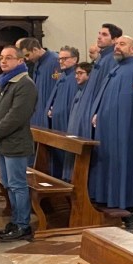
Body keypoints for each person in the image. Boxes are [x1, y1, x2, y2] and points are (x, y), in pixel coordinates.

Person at [87, 36, 133, 227]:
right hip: (109, 130)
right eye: (116, 44)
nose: (117, 47)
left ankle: (131, 203)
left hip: (126, 132)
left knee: (126, 163)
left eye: (122, 45)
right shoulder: (117, 69)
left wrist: (120, 123)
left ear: (132, 50)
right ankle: (111, 198)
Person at [0, 46, 38, 242]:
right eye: (1, 58)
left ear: (21, 61)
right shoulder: (5, 82)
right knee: (8, 184)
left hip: (16, 143)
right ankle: (15, 222)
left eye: (9, 58)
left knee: (17, 185)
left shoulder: (25, 84)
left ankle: (23, 225)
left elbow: (17, 116)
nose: (3, 61)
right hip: (3, 143)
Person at [44, 46, 79, 177]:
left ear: (75, 59)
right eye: (60, 59)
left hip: (66, 124)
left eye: (65, 58)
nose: (61, 62)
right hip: (56, 124)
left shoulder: (75, 77)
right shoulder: (63, 76)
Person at [17, 37, 60, 128]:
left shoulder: (55, 61)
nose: (27, 59)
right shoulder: (36, 63)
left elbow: (59, 88)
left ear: (35, 49)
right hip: (39, 109)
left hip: (49, 112)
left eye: (27, 55)